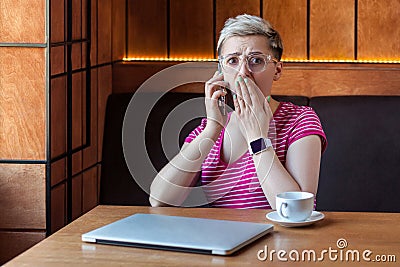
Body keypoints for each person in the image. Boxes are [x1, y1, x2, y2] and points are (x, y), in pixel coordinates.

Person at [149, 14, 327, 209]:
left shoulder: (300, 120)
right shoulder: (209, 128)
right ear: (221, 71)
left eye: (256, 60)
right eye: (233, 61)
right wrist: (212, 130)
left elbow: (297, 209)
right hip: (219, 238)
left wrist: (257, 138)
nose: (243, 72)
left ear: (277, 70)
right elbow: (159, 199)